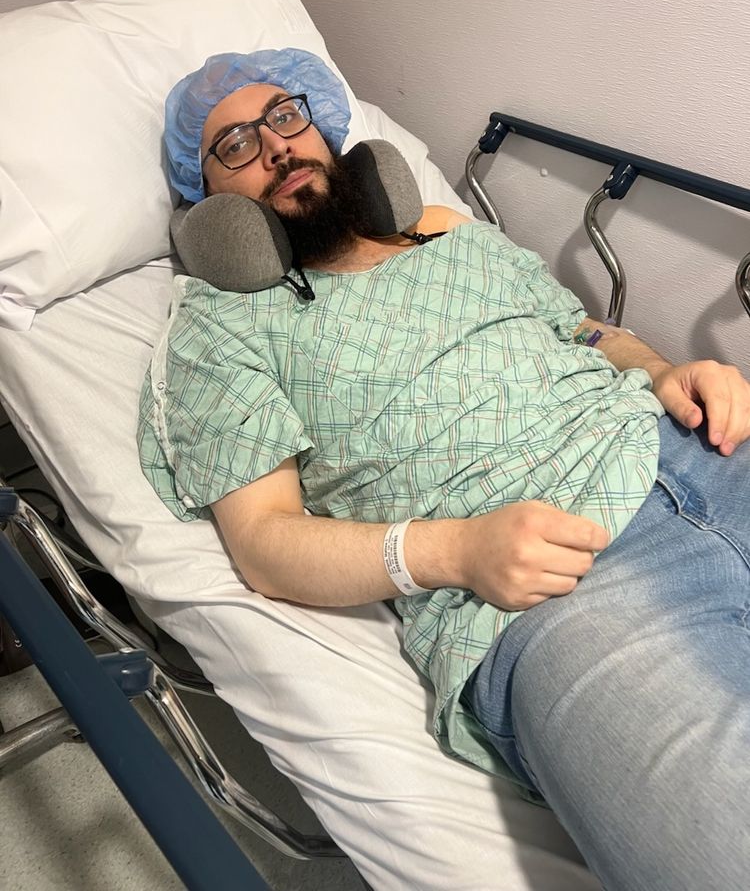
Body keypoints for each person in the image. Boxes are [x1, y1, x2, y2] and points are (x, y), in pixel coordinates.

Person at [139, 48, 750, 891]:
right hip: (549, 584)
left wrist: (666, 370)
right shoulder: (220, 326)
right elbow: (264, 544)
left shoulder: (441, 226)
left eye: (284, 116)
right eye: (235, 145)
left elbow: (580, 329)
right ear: (205, 198)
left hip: (696, 451)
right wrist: (454, 552)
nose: (275, 145)